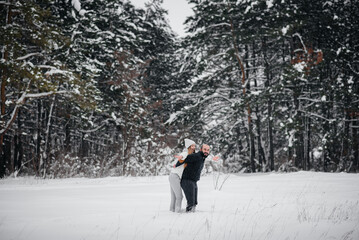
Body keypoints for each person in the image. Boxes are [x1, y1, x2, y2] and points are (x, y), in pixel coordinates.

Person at [175, 144, 218, 212]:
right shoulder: (196, 156)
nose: (206, 151)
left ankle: (192, 214)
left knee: (194, 202)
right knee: (191, 202)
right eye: (204, 149)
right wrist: (177, 164)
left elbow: (207, 156)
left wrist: (213, 158)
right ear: (201, 149)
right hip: (187, 180)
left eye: (208, 150)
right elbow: (185, 158)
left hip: (193, 181)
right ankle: (188, 216)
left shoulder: (202, 157)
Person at [169, 138, 196, 213]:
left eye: (194, 146)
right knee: (179, 196)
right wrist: (179, 160)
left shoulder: (189, 155)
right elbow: (181, 158)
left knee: (174, 197)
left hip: (173, 176)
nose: (194, 148)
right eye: (192, 146)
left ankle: (172, 211)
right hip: (175, 176)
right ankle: (177, 212)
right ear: (188, 147)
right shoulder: (185, 154)